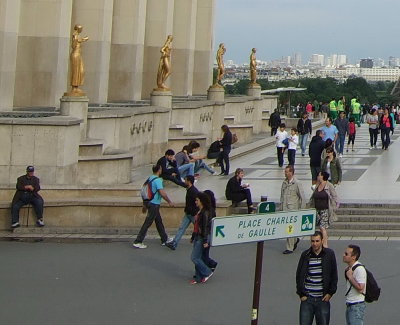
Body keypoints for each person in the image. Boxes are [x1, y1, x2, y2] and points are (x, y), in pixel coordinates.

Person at [296, 231, 338, 325]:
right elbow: (299, 275)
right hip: (307, 299)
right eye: (312, 241)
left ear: (322, 241)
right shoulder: (306, 255)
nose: (314, 244)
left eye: (317, 241)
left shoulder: (329, 254)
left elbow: (334, 275)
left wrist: (330, 293)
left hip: (322, 299)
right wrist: (301, 294)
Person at [133, 164, 174, 249]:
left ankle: (164, 239)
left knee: (158, 221)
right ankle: (138, 241)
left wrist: (144, 204)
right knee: (148, 222)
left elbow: (145, 191)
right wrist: (169, 201)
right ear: (159, 170)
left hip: (149, 202)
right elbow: (162, 193)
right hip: (154, 204)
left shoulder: (150, 178)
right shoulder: (158, 180)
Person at [167, 176, 199, 250]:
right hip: (188, 213)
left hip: (193, 214)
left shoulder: (194, 191)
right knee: (181, 228)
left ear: (189, 181)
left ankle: (203, 242)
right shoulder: (189, 189)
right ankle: (174, 243)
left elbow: (197, 203)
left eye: (185, 180)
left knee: (199, 229)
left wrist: (196, 213)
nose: (184, 181)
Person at [308, 171, 338, 248]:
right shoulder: (317, 185)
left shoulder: (329, 185)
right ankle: (317, 243)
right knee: (316, 227)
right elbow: (313, 196)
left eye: (319, 175)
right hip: (316, 209)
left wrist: (334, 207)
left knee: (322, 227)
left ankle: (325, 244)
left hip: (325, 209)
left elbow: (335, 196)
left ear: (323, 176)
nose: (318, 176)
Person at [190, 192, 213, 284]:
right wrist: (193, 236)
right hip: (197, 236)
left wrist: (205, 240)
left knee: (194, 257)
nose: (195, 202)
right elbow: (196, 226)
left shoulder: (205, 213)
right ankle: (198, 277)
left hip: (201, 237)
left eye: (197, 200)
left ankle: (207, 271)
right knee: (198, 257)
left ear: (202, 201)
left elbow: (204, 227)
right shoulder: (199, 211)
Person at [281, 165, 305, 254]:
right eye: (285, 171)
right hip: (285, 208)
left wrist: (301, 210)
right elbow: (282, 196)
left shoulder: (297, 183)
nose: (285, 173)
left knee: (290, 228)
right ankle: (295, 240)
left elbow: (302, 197)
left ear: (291, 172)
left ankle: (289, 247)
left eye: (287, 171)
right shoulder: (284, 183)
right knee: (288, 229)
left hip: (293, 209)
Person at [343, 245, 367, 325]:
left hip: (356, 306)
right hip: (350, 305)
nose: (343, 255)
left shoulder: (359, 269)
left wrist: (350, 277)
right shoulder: (350, 268)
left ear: (353, 257)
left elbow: (361, 288)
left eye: (346, 254)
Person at [202, 190, 218, 271]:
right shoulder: (212, 209)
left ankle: (211, 264)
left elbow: (205, 225)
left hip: (207, 234)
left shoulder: (208, 210)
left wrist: (205, 240)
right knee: (204, 253)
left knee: (203, 255)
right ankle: (209, 265)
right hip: (209, 234)